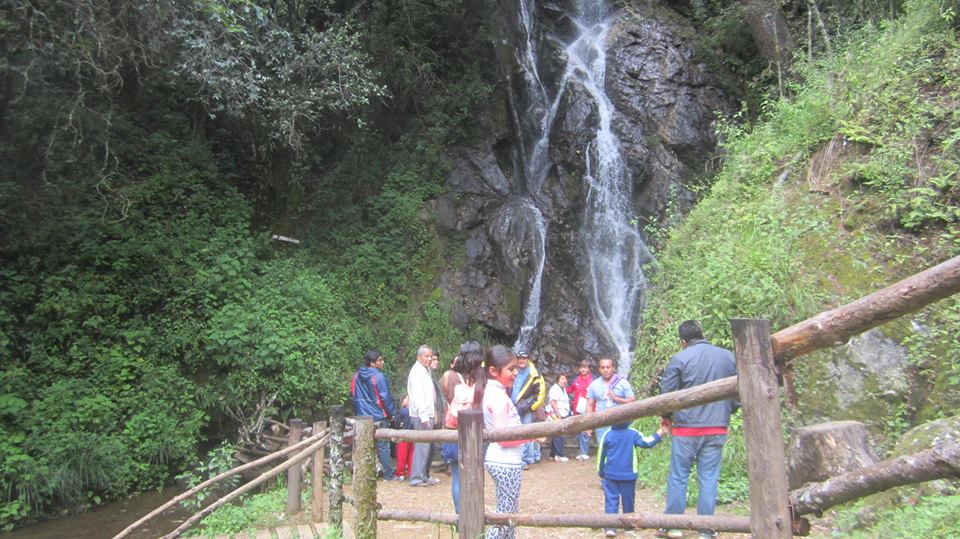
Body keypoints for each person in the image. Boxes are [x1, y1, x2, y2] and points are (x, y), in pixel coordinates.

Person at [657, 320, 738, 539]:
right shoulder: (728, 356)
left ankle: (673, 526)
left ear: (683, 341)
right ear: (703, 333)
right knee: (709, 478)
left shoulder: (680, 358)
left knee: (678, 476)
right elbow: (739, 391)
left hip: (686, 429)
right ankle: (706, 529)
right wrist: (728, 410)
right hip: (717, 428)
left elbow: (667, 395)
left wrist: (666, 418)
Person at [483, 345, 541, 539]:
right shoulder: (498, 398)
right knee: (505, 517)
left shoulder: (491, 392)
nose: (516, 373)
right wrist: (533, 435)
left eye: (516, 368)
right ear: (493, 371)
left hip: (503, 460)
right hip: (505, 461)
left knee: (508, 513)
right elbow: (503, 438)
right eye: (511, 369)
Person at [597, 422, 668, 537]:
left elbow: (601, 454)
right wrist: (660, 432)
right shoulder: (633, 433)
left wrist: (600, 470)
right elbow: (647, 442)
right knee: (628, 500)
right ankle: (629, 526)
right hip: (628, 474)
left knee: (611, 500)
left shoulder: (607, 434)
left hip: (610, 474)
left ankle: (610, 527)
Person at [440, 341, 485, 514]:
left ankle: (461, 515)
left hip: (453, 433)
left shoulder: (459, 385)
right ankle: (472, 515)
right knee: (473, 476)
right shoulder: (483, 384)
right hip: (472, 437)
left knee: (457, 476)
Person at [350, 349, 399, 480]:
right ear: (372, 363)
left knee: (365, 445)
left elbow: (353, 396)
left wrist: (358, 411)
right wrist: (392, 413)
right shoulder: (378, 377)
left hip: (362, 417)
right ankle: (388, 474)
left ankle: (366, 474)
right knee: (383, 446)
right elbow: (385, 397)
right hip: (378, 415)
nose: (383, 362)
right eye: (380, 360)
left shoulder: (356, 376)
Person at [406, 344, 440, 487]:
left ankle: (424, 475)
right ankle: (416, 478)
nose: (429, 359)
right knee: (421, 446)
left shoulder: (425, 371)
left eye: (430, 356)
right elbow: (418, 396)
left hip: (428, 413)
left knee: (427, 447)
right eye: (426, 356)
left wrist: (434, 413)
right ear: (418, 357)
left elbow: (430, 395)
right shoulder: (416, 372)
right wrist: (424, 416)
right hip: (421, 415)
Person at [585, 358, 636, 446]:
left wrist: (615, 398)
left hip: (620, 423)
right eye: (603, 367)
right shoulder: (594, 385)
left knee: (619, 449)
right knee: (603, 448)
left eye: (608, 367)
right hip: (601, 423)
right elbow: (589, 405)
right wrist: (589, 424)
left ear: (613, 368)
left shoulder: (623, 383)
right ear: (599, 369)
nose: (605, 370)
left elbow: (632, 401)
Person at [510, 351, 546, 467]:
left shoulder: (534, 374)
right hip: (512, 407)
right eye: (519, 358)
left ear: (528, 359)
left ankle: (524, 459)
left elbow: (541, 392)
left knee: (525, 433)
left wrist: (532, 407)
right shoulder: (513, 371)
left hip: (526, 409)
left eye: (524, 358)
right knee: (514, 432)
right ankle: (517, 457)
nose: (522, 360)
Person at [568, 359, 595, 460]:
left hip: (588, 408)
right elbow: (569, 389)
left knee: (585, 430)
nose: (583, 369)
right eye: (581, 367)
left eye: (585, 367)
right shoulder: (576, 380)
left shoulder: (592, 380)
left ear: (589, 369)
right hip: (577, 408)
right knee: (579, 430)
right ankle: (581, 450)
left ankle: (584, 452)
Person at [546, 372, 571, 461]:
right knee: (559, 434)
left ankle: (553, 454)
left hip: (562, 413)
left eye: (565, 379)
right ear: (558, 380)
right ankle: (559, 454)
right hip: (556, 414)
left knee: (555, 434)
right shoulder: (555, 388)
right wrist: (559, 415)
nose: (564, 381)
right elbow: (553, 402)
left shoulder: (563, 389)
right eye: (562, 379)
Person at [394, 396, 414, 481]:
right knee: (411, 456)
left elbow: (397, 423)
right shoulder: (415, 412)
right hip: (414, 436)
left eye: (406, 398)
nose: (404, 400)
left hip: (403, 436)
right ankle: (411, 473)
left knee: (402, 456)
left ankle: (400, 473)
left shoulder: (403, 411)